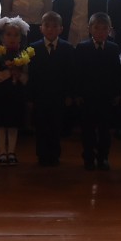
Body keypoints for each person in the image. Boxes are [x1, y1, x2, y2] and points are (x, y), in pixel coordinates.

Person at [27, 11, 75, 167]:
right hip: (40, 96)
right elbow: (31, 75)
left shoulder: (67, 48)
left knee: (56, 126)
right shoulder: (33, 48)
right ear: (41, 28)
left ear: (61, 29)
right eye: (47, 26)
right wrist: (30, 97)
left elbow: (70, 74)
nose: (50, 29)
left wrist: (69, 94)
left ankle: (54, 155)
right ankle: (42, 155)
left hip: (58, 96)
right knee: (41, 126)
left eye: (55, 26)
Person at [75, 12, 121, 170]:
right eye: (97, 28)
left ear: (109, 30)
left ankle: (103, 157)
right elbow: (78, 73)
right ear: (90, 29)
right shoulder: (82, 47)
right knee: (87, 129)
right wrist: (78, 94)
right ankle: (88, 156)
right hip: (88, 96)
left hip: (106, 97)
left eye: (104, 28)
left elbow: (116, 73)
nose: (100, 32)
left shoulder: (113, 48)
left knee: (104, 130)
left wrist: (117, 93)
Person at [0, 16, 32, 165]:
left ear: (21, 38)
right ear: (2, 37)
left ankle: (12, 152)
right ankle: (2, 152)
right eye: (8, 34)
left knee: (14, 124)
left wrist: (18, 74)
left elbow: (26, 78)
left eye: (16, 35)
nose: (12, 38)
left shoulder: (23, 55)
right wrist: (9, 72)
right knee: (1, 124)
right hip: (1, 93)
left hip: (16, 93)